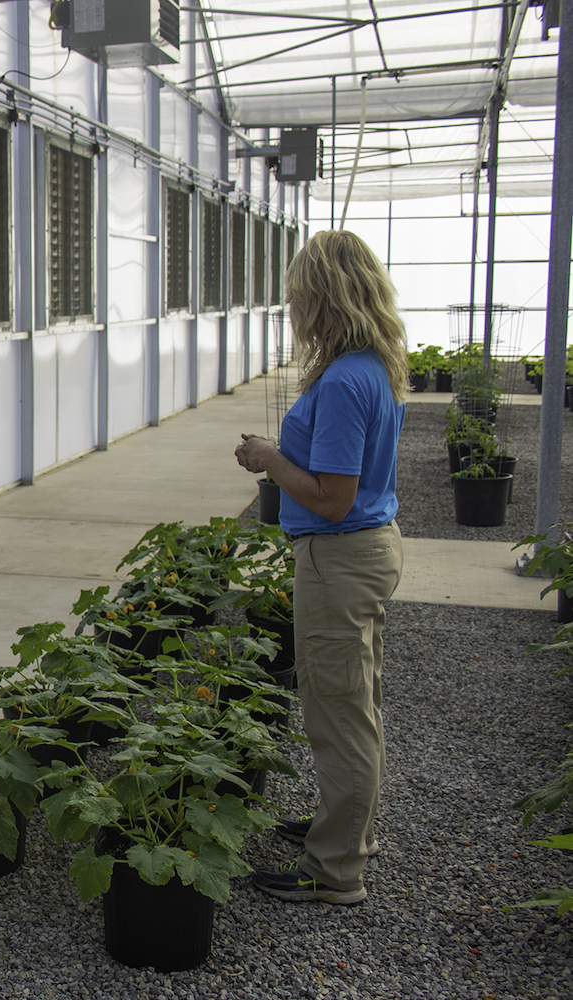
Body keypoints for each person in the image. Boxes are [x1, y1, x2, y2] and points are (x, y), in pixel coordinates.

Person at [234, 230, 408, 905]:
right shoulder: (373, 364)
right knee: (355, 704)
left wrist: (269, 460)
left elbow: (332, 500)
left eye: (300, 296)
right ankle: (346, 830)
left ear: (324, 299)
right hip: (367, 549)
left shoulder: (342, 381)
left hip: (340, 557)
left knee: (337, 715)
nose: (293, 309)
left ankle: (336, 869)